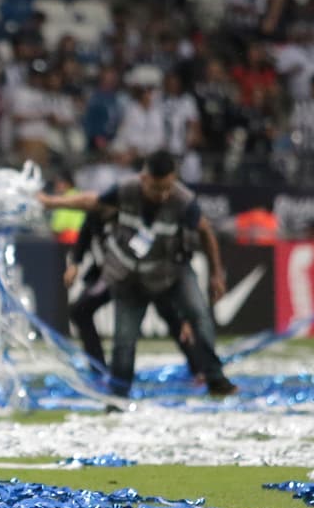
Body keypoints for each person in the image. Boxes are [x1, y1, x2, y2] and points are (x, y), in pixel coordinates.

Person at [40, 150, 238, 398]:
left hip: (170, 274)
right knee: (123, 340)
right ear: (144, 178)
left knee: (197, 317)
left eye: (168, 187)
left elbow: (205, 231)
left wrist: (216, 274)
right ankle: (118, 395)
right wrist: (52, 203)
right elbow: (91, 205)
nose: (163, 194)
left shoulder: (183, 200)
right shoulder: (125, 191)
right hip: (128, 278)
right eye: (157, 188)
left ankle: (214, 378)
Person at [64, 209, 198, 376]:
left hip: (144, 275)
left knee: (170, 314)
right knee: (80, 310)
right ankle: (98, 369)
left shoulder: (134, 211)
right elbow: (85, 236)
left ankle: (198, 368)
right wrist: (75, 263)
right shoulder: (95, 214)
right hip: (109, 275)